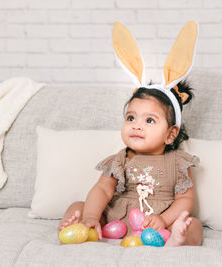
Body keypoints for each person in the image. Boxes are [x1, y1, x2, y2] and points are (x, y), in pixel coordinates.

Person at [58, 20, 202, 246]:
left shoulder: (178, 163)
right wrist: (91, 216)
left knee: (193, 224)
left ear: (171, 134)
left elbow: (186, 199)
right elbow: (102, 189)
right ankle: (80, 227)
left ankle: (179, 240)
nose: (136, 125)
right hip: (116, 222)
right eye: (131, 117)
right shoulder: (120, 160)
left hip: (158, 226)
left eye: (150, 120)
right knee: (78, 205)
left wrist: (164, 220)